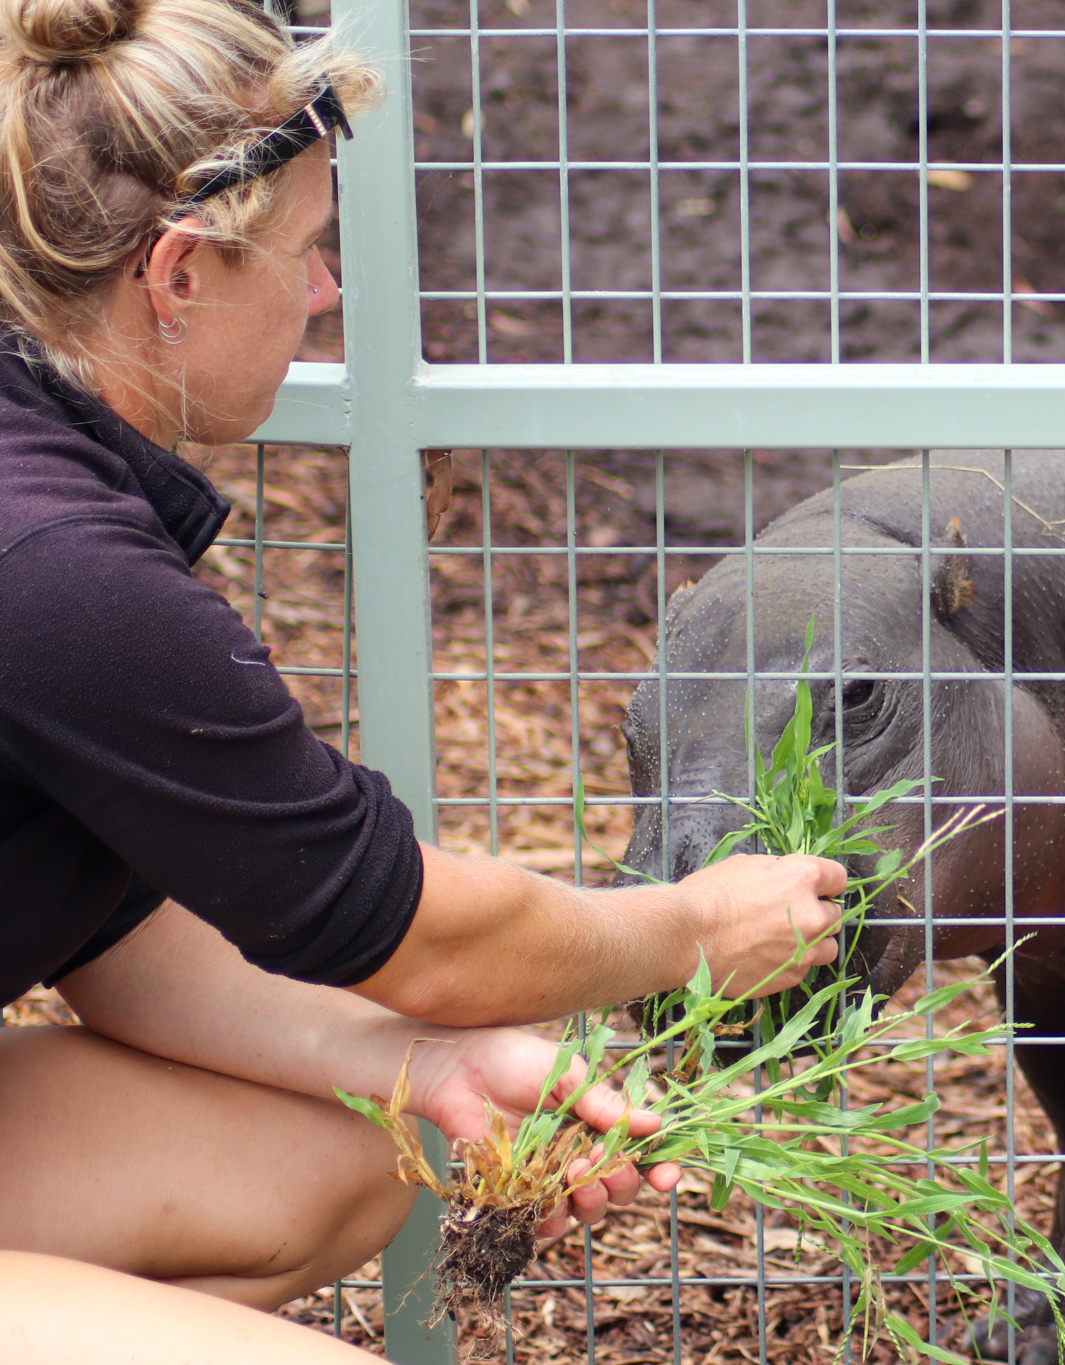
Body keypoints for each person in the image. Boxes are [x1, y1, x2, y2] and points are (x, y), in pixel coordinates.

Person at [0, 1, 846, 1359]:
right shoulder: (58, 568)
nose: (326, 291)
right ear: (175, 274)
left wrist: (433, 1065)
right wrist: (688, 926)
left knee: (344, 1152)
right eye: (310, 249)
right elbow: (414, 927)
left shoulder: (39, 478)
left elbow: (113, 929)